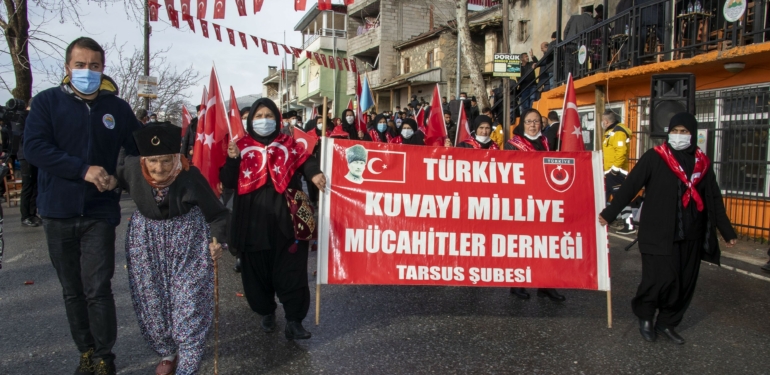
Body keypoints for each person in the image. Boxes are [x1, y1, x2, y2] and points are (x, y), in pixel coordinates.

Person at [24, 37, 142, 375]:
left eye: (94, 65)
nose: (87, 71)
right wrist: (82, 170)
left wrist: (119, 178)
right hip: (57, 211)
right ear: (67, 68)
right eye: (80, 65)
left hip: (99, 213)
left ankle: (105, 357)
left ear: (103, 69)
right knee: (72, 290)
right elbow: (34, 148)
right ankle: (86, 352)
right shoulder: (46, 103)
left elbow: (137, 149)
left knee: (97, 288)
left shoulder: (116, 108)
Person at [600, 112, 737, 345]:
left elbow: (713, 197)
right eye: (675, 131)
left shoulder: (702, 162)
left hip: (691, 234)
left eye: (684, 132)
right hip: (658, 233)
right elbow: (631, 185)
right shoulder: (655, 157)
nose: (679, 136)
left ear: (692, 135)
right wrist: (609, 213)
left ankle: (667, 322)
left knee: (683, 282)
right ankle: (645, 316)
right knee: (658, 279)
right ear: (668, 133)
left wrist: (726, 230)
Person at [109, 122, 228, 375]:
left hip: (188, 243)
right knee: (152, 301)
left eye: (165, 160)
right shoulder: (131, 169)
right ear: (143, 160)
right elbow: (112, 173)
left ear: (176, 158)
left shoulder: (189, 176)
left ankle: (188, 360)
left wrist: (217, 242)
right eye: (152, 161)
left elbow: (218, 215)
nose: (159, 168)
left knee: (189, 301)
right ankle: (166, 350)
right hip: (146, 242)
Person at [220, 98, 326, 340]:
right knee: (257, 273)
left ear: (277, 119)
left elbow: (305, 161)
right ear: (250, 120)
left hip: (286, 221)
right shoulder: (239, 145)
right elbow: (227, 181)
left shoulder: (288, 144)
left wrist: (315, 173)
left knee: (292, 271)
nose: (264, 120)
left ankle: (294, 320)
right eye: (258, 116)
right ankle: (266, 311)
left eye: (269, 115)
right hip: (251, 223)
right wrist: (233, 159)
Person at [505, 109, 566, 303]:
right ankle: (517, 283)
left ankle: (546, 285)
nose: (533, 125)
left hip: (545, 201)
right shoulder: (512, 145)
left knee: (546, 245)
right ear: (522, 123)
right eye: (529, 121)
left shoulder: (547, 142)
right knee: (522, 245)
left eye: (537, 122)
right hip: (522, 201)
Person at [602, 109, 633, 234]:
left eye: (602, 121)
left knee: (620, 198)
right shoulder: (611, 132)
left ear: (606, 121)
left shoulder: (618, 133)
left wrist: (614, 170)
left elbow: (621, 152)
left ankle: (629, 225)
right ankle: (604, 221)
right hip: (609, 171)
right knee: (603, 197)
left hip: (616, 173)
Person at [19, 100, 40, 227]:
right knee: (28, 185)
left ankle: (32, 213)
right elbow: (22, 136)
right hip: (25, 155)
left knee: (35, 184)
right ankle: (25, 215)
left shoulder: (35, 117)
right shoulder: (22, 117)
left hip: (35, 155)